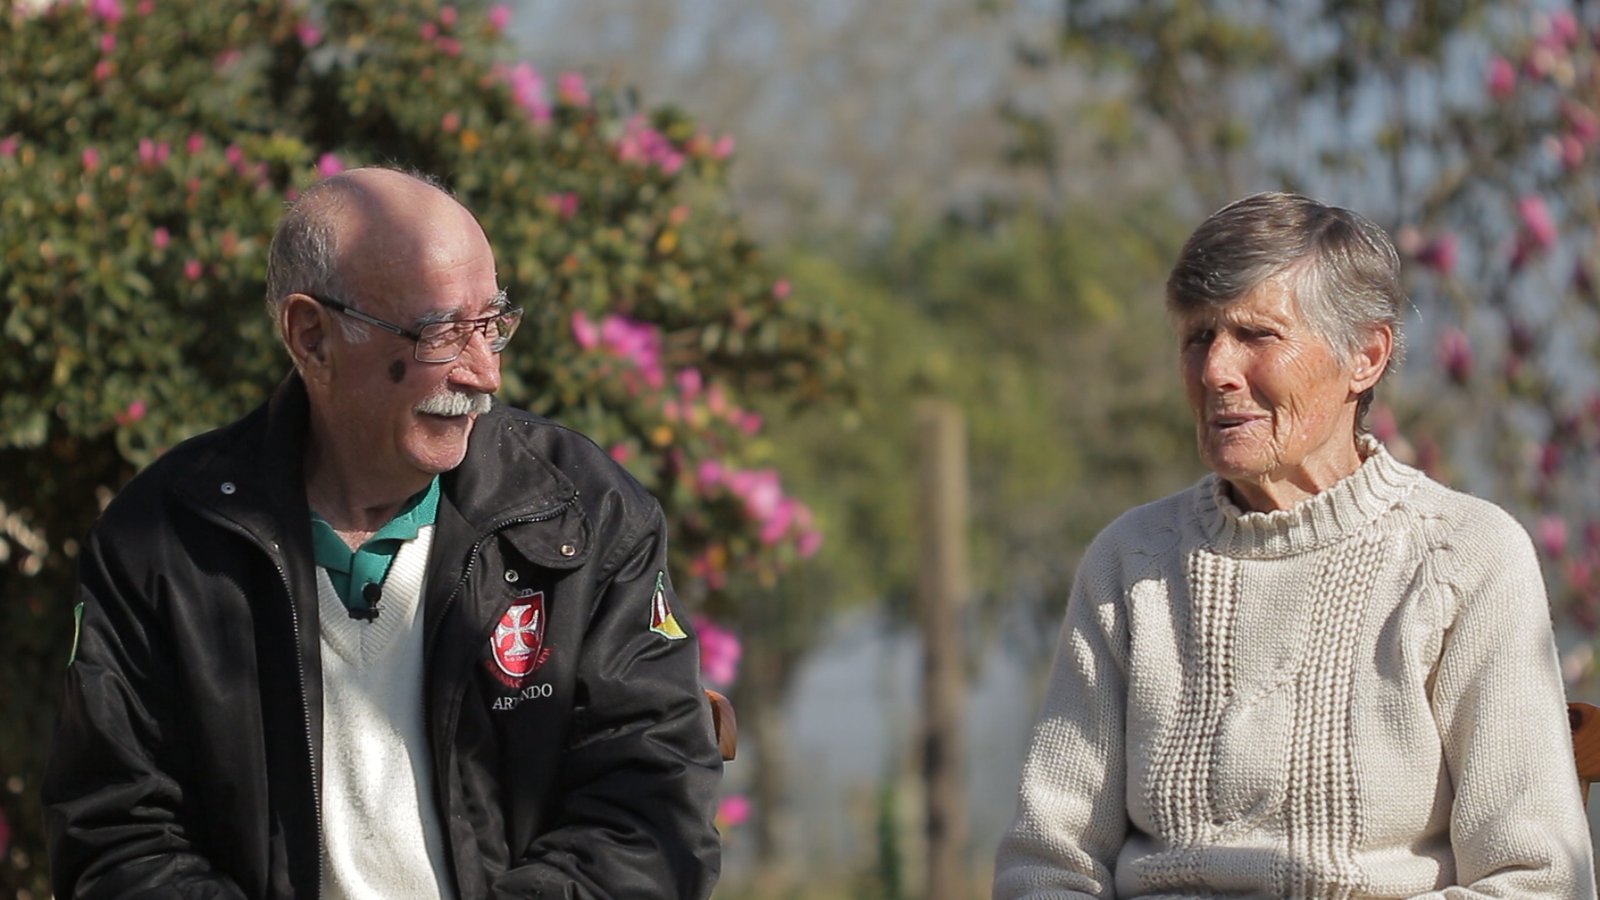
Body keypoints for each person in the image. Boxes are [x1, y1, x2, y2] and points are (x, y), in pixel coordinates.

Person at [44, 167, 723, 899]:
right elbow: (116, 837)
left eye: (492, 324)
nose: (485, 373)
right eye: (441, 332)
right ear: (312, 337)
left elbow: (653, 812)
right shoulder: (162, 541)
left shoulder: (586, 517)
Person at [992, 192, 1596, 898]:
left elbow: (1538, 880)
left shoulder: (1466, 558)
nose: (1217, 369)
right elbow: (1048, 866)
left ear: (1366, 356)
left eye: (1257, 335)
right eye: (1198, 337)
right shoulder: (1132, 563)